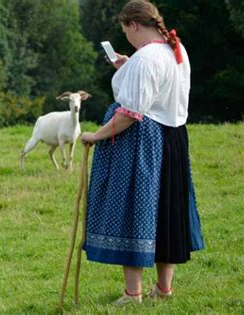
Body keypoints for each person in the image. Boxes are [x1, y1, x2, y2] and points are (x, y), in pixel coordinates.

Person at [80, 0, 204, 305]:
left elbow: (130, 114)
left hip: (143, 140)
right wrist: (128, 65)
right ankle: (163, 288)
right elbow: (158, 87)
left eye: (127, 32)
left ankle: (132, 293)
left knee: (134, 209)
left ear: (134, 24)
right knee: (166, 211)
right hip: (174, 137)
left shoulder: (147, 58)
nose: (128, 39)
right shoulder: (175, 48)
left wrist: (95, 135)